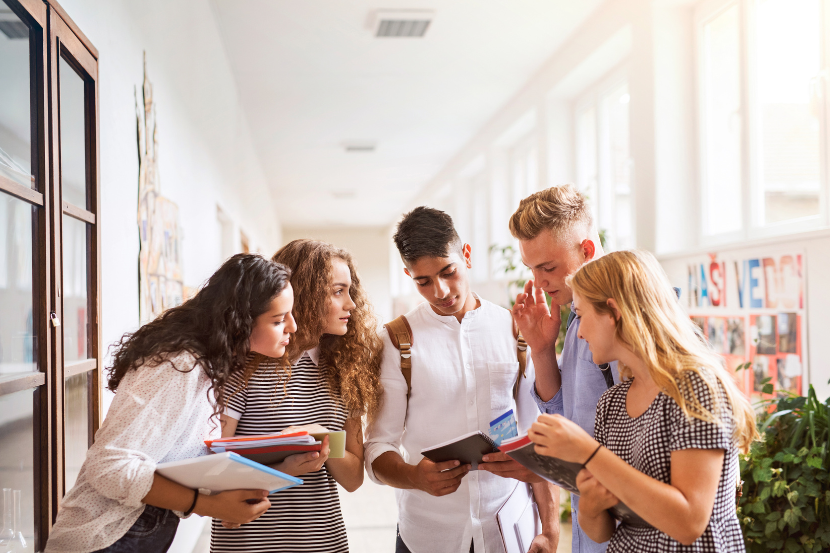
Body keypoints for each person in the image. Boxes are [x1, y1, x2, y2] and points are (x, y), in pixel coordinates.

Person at [45, 254, 294, 553]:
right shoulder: (180, 365)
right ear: (239, 323)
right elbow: (109, 467)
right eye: (278, 320)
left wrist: (275, 465)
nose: (292, 327)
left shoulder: (208, 366)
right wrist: (210, 505)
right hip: (103, 538)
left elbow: (175, 460)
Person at [528, 250, 757, 552]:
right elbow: (601, 531)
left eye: (582, 316)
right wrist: (591, 507)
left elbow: (689, 523)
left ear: (613, 312)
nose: (579, 333)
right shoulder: (611, 403)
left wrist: (588, 452)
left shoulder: (694, 388)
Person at [365, 207, 560, 553]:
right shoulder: (397, 341)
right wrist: (414, 477)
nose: (440, 291)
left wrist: (550, 528)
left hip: (507, 528)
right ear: (409, 275)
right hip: (427, 535)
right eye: (423, 281)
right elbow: (379, 447)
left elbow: (536, 432)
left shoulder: (514, 328)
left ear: (466, 255)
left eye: (448, 272)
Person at [211, 239, 383, 553]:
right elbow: (214, 467)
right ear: (303, 294)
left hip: (323, 542)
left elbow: (353, 479)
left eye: (350, 291)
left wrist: (322, 438)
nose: (351, 304)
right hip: (249, 543)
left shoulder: (346, 370)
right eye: (337, 291)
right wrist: (285, 467)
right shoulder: (243, 367)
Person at [509, 184, 618, 553]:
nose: (539, 281)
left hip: (625, 530)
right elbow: (565, 413)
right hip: (590, 527)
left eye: (548, 267)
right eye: (531, 269)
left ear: (586, 250)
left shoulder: (622, 320)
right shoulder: (576, 315)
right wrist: (542, 350)